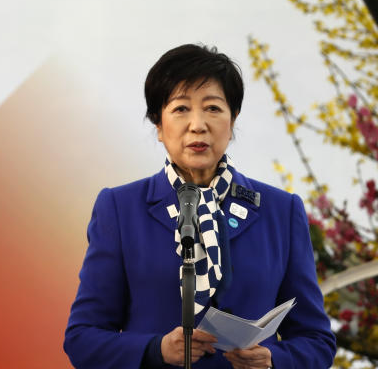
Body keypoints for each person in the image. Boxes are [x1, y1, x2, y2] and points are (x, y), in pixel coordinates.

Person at [63, 44, 336, 368]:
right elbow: (82, 338)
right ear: (158, 124)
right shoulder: (121, 209)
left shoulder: (280, 210)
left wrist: (273, 360)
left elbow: (317, 341)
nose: (198, 124)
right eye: (180, 109)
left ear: (233, 119)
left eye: (213, 108)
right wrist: (156, 350)